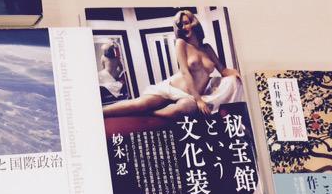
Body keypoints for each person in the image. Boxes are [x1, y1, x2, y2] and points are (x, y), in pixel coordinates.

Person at [102, 10, 240, 119]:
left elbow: (223, 70)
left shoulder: (207, 48)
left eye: (186, 23)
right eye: (180, 25)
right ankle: (100, 112)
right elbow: (185, 72)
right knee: (139, 104)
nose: (183, 27)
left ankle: (150, 114)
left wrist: (238, 74)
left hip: (190, 96)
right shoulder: (181, 43)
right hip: (174, 88)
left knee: (182, 109)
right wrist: (198, 100)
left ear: (194, 23)